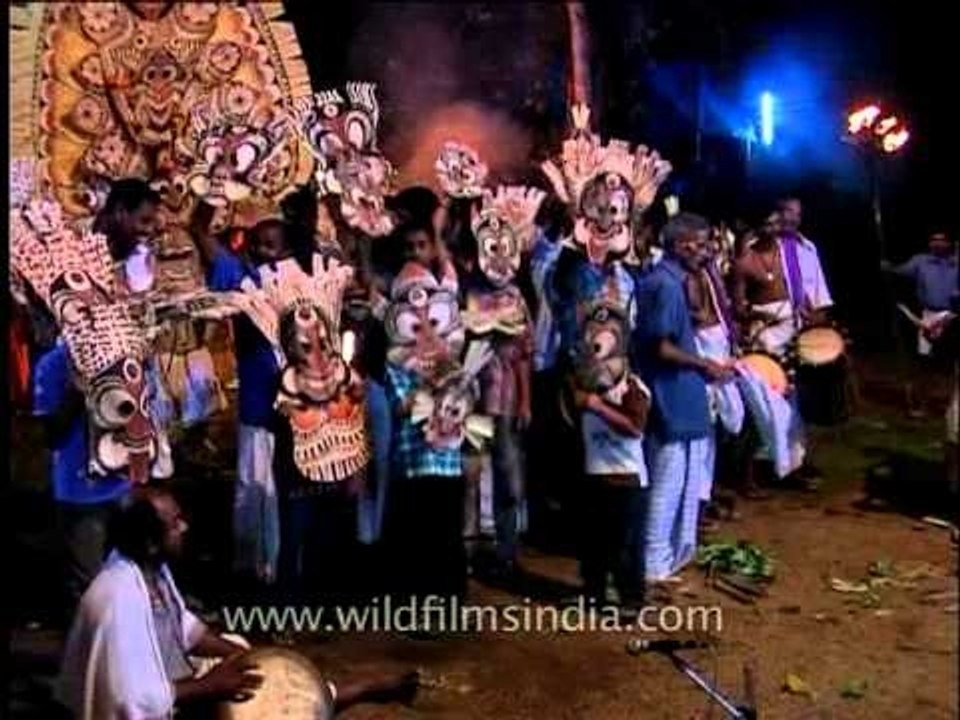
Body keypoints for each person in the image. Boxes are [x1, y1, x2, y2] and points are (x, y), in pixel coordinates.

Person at [57, 486, 419, 718]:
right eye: (175, 523)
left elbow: (185, 629)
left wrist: (245, 655)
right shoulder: (117, 598)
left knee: (260, 669)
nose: (184, 527)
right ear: (151, 543)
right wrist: (211, 686)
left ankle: (356, 689)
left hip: (176, 685)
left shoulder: (151, 569)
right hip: (161, 705)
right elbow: (131, 700)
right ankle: (355, 691)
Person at [634, 213, 731, 589]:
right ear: (680, 245)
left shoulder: (668, 282)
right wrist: (705, 364)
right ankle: (654, 563)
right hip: (670, 395)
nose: (706, 252)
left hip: (681, 395)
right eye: (701, 245)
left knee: (678, 482)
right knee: (667, 484)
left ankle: (663, 560)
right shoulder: (666, 286)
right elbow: (661, 347)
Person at [196, 205, 290, 585]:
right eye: (257, 244)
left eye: (272, 246)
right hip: (257, 406)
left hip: (294, 410)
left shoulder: (302, 282)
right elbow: (203, 235)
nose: (264, 252)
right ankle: (253, 572)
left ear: (286, 250)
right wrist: (212, 195)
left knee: (279, 493)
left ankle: (278, 570)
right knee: (253, 489)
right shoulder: (245, 280)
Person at [383, 224, 469, 610]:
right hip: (414, 460)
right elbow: (401, 407)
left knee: (448, 534)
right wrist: (428, 384)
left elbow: (464, 398)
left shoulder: (451, 357)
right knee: (418, 537)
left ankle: (451, 605)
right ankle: (418, 608)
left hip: (448, 460)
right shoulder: (396, 362)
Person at [570, 303, 650, 608]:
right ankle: (594, 592)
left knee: (625, 545)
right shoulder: (583, 381)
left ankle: (631, 599)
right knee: (594, 542)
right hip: (595, 474)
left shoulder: (633, 387)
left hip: (626, 479)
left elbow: (634, 427)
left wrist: (598, 407)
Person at [884, 232, 958, 357]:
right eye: (934, 240)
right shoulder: (920, 261)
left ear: (948, 243)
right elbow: (901, 271)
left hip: (952, 314)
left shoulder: (955, 262)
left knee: (949, 350)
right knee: (926, 352)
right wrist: (889, 267)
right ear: (930, 243)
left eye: (942, 240)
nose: (938, 243)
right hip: (929, 313)